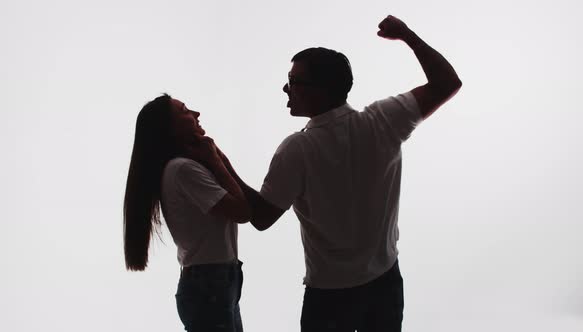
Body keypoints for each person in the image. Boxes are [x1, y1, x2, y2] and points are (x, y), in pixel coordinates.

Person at [223, 15, 462, 331]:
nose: (286, 87)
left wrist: (221, 163)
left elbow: (261, 217)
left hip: (330, 296)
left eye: (294, 81)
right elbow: (448, 83)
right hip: (386, 282)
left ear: (320, 90)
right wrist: (407, 35)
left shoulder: (297, 149)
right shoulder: (382, 121)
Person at [123, 94, 250, 332]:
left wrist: (216, 158)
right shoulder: (183, 169)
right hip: (210, 283)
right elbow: (242, 211)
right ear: (169, 129)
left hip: (217, 279)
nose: (196, 114)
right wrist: (215, 159)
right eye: (185, 111)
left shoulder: (184, 167)